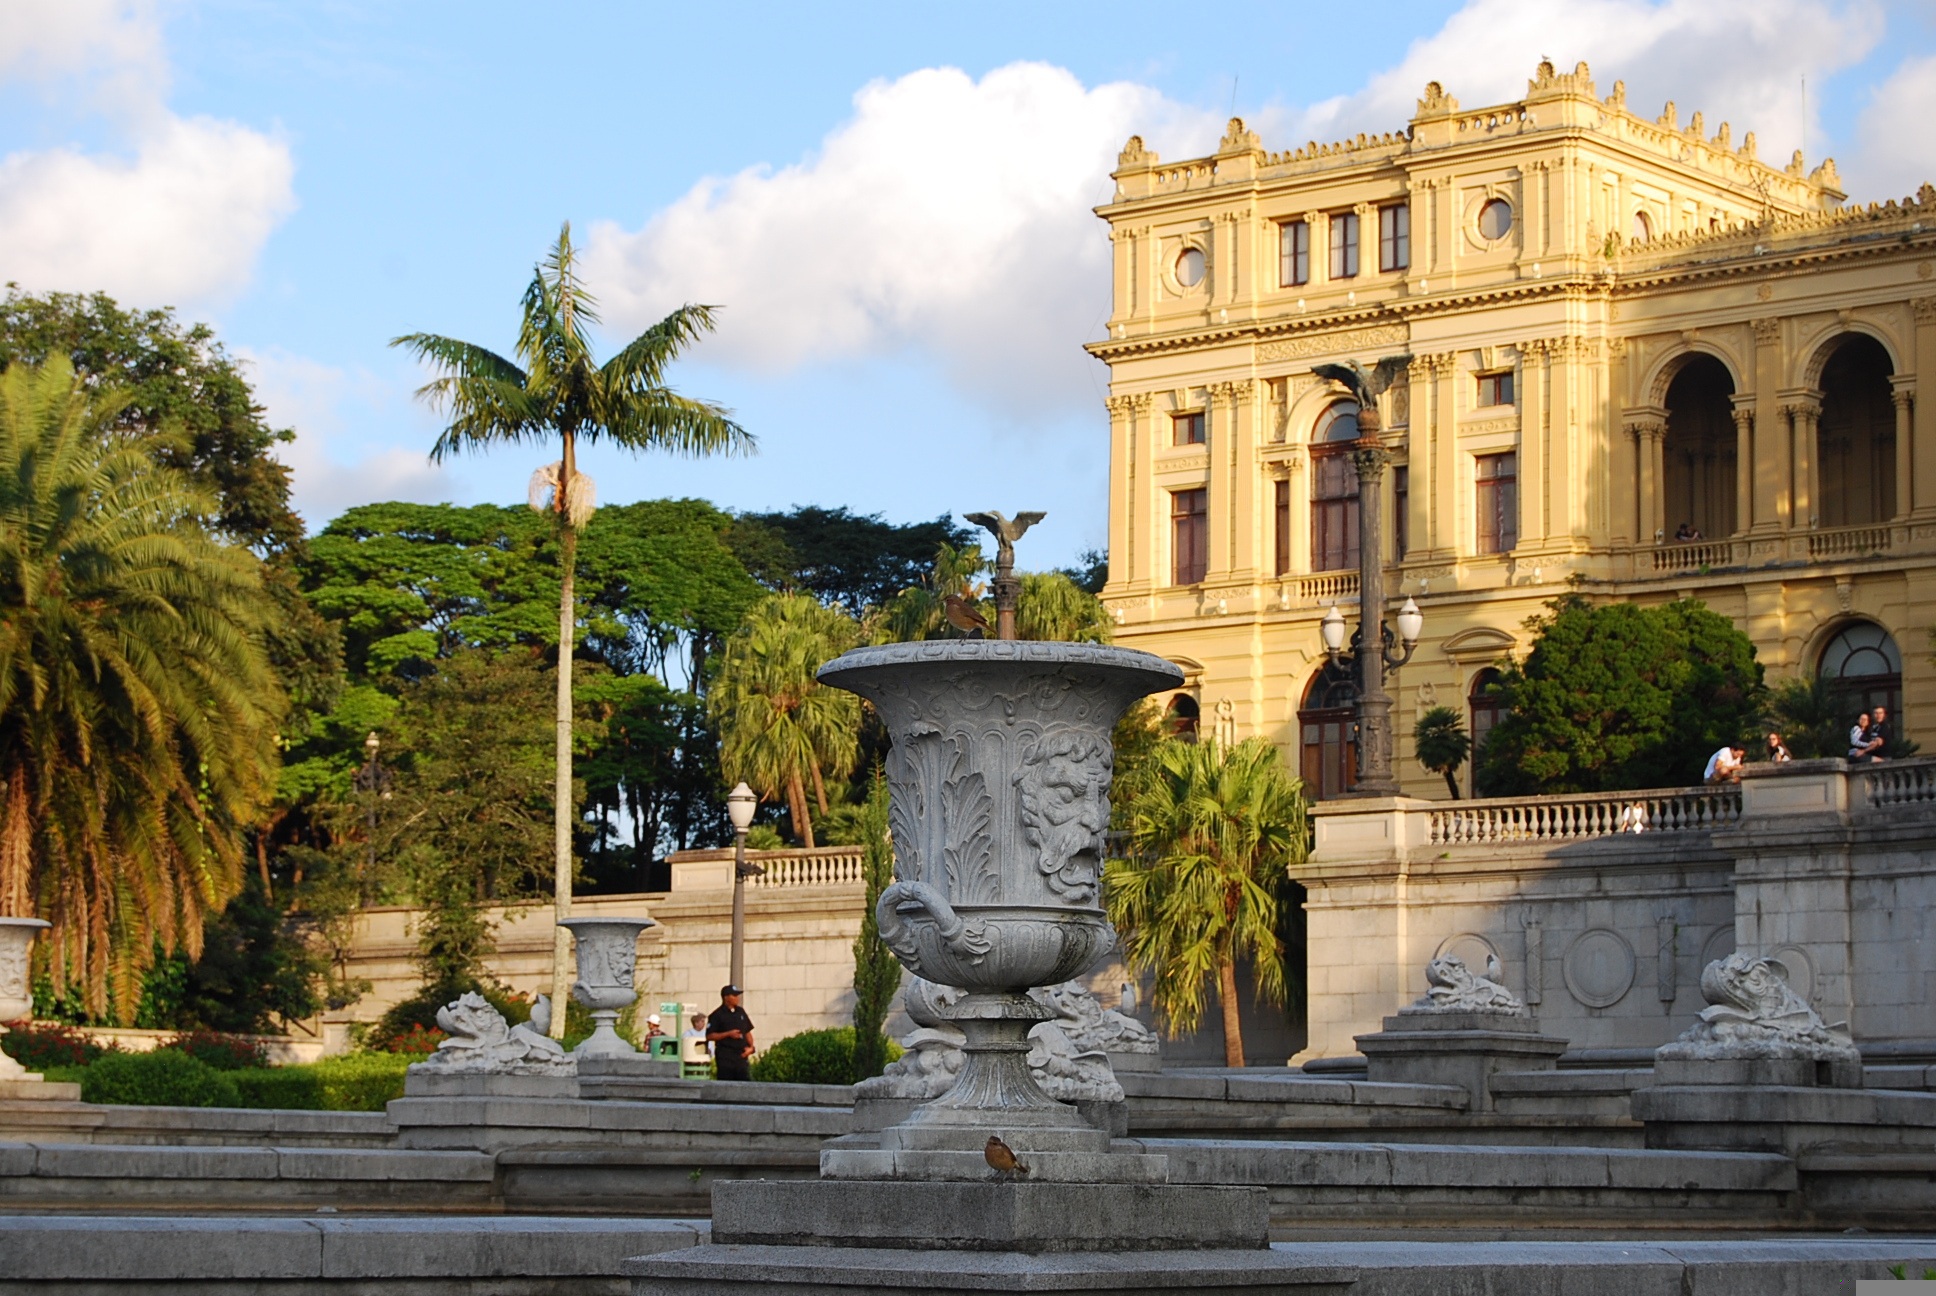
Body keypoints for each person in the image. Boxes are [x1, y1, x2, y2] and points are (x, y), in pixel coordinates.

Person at [706, 984, 756, 1081]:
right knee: (726, 1082)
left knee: (744, 1083)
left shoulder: (740, 1012)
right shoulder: (717, 1015)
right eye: (734, 996)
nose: (737, 998)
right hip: (726, 1056)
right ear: (726, 997)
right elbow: (710, 1036)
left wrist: (751, 1047)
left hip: (741, 1056)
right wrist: (728, 1034)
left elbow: (747, 1031)